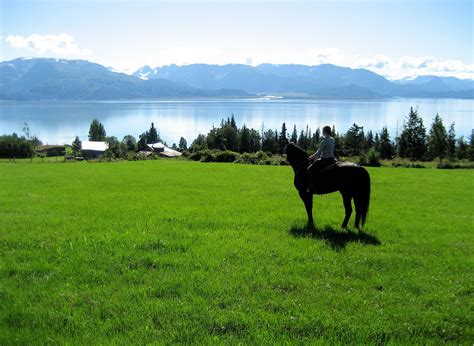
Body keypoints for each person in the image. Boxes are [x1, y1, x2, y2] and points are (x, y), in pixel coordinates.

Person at [307, 126, 336, 191]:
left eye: (323, 131)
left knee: (310, 169)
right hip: (332, 159)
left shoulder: (324, 141)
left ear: (325, 132)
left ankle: (311, 186)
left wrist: (311, 157)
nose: (322, 133)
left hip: (324, 159)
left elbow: (318, 152)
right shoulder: (332, 139)